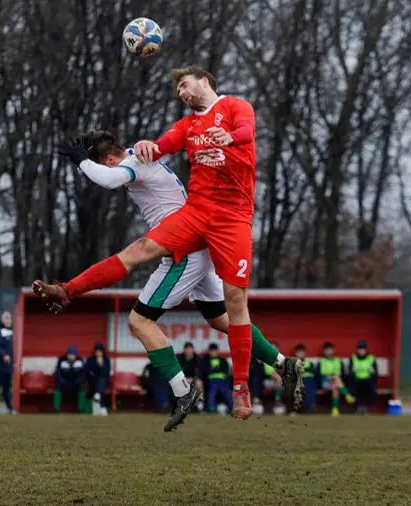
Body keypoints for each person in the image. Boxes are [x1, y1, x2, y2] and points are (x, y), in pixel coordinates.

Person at [33, 66, 263, 420]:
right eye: (178, 91)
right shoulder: (188, 126)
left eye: (185, 85)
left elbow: (247, 131)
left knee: (232, 302)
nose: (182, 93)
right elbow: (164, 145)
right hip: (196, 214)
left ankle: (241, 387)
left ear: (205, 81)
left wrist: (229, 137)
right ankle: (279, 361)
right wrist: (149, 147)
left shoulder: (235, 107)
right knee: (143, 258)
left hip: (232, 218)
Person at [42, 126, 303, 430]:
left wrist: (80, 161)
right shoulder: (139, 158)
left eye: (100, 164)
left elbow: (110, 180)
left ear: (109, 160)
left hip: (184, 248)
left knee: (139, 321)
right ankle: (283, 364)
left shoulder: (132, 163)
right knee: (222, 320)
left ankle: (183, 390)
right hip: (196, 244)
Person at [317, 342, 355, 417]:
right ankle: (347, 395)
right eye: (327, 350)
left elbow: (344, 375)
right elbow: (318, 376)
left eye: (330, 350)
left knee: (335, 386)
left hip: (337, 383)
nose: (328, 351)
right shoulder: (321, 362)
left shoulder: (339, 361)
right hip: (325, 383)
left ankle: (335, 411)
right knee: (335, 377)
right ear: (324, 351)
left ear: (333, 350)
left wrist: (335, 378)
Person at [199, 344, 232, 413]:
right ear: (209, 351)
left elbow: (226, 371)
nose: (213, 352)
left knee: (227, 393)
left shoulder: (223, 360)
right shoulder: (205, 360)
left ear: (217, 351)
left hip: (223, 380)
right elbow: (204, 371)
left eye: (214, 351)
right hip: (211, 381)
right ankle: (211, 408)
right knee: (212, 393)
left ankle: (232, 407)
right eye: (212, 351)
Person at [348, 340, 378, 415]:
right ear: (357, 350)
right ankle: (357, 408)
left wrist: (372, 378)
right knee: (354, 387)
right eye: (360, 349)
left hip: (368, 380)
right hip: (356, 380)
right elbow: (350, 371)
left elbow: (375, 372)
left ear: (366, 350)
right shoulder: (353, 358)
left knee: (369, 387)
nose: (361, 351)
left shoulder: (371, 358)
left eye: (363, 349)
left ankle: (365, 408)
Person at [53, 345, 86, 413]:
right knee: (58, 386)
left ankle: (81, 409)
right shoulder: (62, 361)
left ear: (75, 355)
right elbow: (58, 374)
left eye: (72, 355)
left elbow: (83, 374)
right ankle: (56, 409)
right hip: (64, 382)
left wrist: (78, 381)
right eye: (69, 354)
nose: (71, 356)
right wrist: (62, 381)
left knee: (82, 387)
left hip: (76, 383)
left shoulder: (80, 361)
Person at [85, 343, 111, 415]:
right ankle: (102, 407)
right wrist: (97, 364)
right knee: (99, 386)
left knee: (101, 380)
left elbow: (106, 372)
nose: (98, 353)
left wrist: (101, 365)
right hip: (92, 381)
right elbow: (87, 371)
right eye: (97, 351)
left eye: (100, 351)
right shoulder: (90, 359)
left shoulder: (106, 360)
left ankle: (98, 396)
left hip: (103, 382)